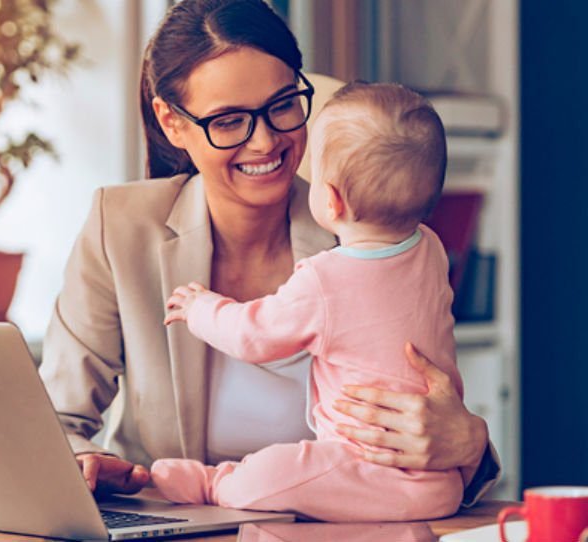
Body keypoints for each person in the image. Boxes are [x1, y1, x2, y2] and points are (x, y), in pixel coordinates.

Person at [39, 0, 499, 508]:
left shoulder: (370, 233)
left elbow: (440, 429)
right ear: (172, 123)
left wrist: (469, 442)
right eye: (229, 120)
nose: (264, 141)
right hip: (175, 523)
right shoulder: (120, 228)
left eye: (282, 106)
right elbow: (55, 422)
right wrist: (83, 464)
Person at [151, 81, 463, 521]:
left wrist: (200, 308)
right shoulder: (430, 249)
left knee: (275, 470)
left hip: (361, 464)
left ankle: (214, 482)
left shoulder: (325, 279)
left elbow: (253, 335)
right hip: (439, 483)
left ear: (330, 200)